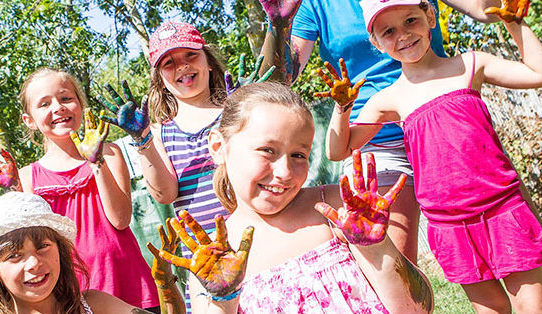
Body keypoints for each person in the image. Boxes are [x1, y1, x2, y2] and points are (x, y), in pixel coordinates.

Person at [325, 0, 542, 312]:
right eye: (388, 31)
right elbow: (338, 151)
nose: (403, 35)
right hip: (450, 224)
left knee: (533, 305)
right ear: (376, 43)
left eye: (411, 20)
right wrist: (342, 108)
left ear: (430, 16)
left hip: (502, 209)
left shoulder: (470, 65)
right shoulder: (388, 99)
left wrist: (515, 23)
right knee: (492, 309)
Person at [255, 0, 504, 264]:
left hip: (442, 127)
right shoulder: (314, 5)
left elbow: (486, 8)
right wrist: (279, 26)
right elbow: (277, 80)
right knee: (393, 266)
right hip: (373, 140)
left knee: (520, 239)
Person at [153, 82, 434, 313]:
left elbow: (417, 309)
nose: (285, 172)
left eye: (299, 155)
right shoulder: (215, 258)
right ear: (218, 147)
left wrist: (377, 247)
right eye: (267, 150)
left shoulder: (338, 211)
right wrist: (224, 301)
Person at [95, 21, 271, 310]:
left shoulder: (236, 109)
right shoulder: (160, 132)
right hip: (206, 262)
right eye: (168, 63)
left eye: (190, 55)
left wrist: (250, 107)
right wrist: (142, 139)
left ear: (209, 62)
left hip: (255, 241)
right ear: (159, 78)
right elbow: (164, 194)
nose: (182, 67)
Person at [0, 68, 159, 309]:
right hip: (71, 296)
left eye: (66, 98)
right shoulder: (28, 177)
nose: (58, 107)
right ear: (30, 120)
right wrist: (14, 189)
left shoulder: (109, 153)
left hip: (128, 284)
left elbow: (120, 220)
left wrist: (96, 161)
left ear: (81, 105)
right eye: (44, 103)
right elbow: (27, 241)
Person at [0, 192, 180, 313]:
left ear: (61, 251)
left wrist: (166, 285)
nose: (34, 263)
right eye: (14, 256)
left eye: (43, 246)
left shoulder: (95, 305)